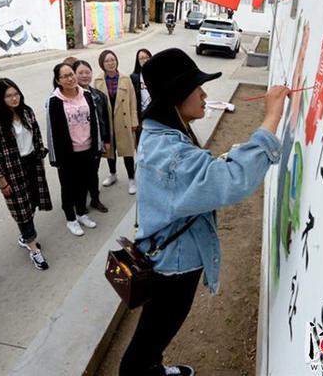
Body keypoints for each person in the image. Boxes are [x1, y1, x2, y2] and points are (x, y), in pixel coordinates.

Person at [118, 48, 290, 376]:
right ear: (176, 96)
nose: (204, 94)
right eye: (198, 88)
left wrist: (217, 161)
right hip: (175, 267)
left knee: (154, 336)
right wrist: (271, 119)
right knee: (146, 344)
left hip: (169, 257)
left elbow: (197, 175)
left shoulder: (162, 132)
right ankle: (147, 369)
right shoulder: (170, 151)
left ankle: (154, 368)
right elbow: (232, 181)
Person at [0, 78, 52, 270]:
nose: (14, 99)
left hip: (32, 163)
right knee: (21, 210)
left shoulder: (27, 112)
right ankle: (33, 248)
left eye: (16, 94)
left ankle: (25, 237)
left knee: (32, 203)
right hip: (12, 170)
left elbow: (37, 138)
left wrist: (41, 161)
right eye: (8, 96)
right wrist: (2, 181)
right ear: (0, 98)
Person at [46, 63, 102, 236]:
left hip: (87, 148)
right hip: (67, 153)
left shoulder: (86, 94)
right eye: (65, 76)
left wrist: (97, 146)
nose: (70, 78)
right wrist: (56, 158)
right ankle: (71, 219)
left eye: (71, 74)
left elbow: (95, 122)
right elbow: (51, 131)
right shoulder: (54, 101)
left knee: (84, 183)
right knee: (68, 187)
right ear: (58, 80)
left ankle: (81, 213)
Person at [94, 50, 139, 194]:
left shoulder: (125, 78)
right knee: (109, 150)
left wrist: (134, 120)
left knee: (127, 151)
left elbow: (133, 101)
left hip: (123, 120)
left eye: (112, 59)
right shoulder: (98, 81)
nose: (110, 63)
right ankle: (112, 174)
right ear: (102, 64)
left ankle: (132, 179)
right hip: (107, 120)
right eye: (107, 61)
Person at [73, 59, 111, 213]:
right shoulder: (70, 97)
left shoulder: (99, 95)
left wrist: (106, 140)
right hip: (78, 144)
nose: (84, 76)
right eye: (80, 73)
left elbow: (105, 119)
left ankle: (95, 199)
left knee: (93, 173)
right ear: (74, 75)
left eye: (87, 72)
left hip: (95, 142)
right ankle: (79, 204)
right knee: (79, 176)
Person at [130, 48, 152, 144]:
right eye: (142, 58)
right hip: (141, 116)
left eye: (147, 57)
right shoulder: (134, 77)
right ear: (138, 61)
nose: (145, 60)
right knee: (141, 144)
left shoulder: (158, 75)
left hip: (155, 115)